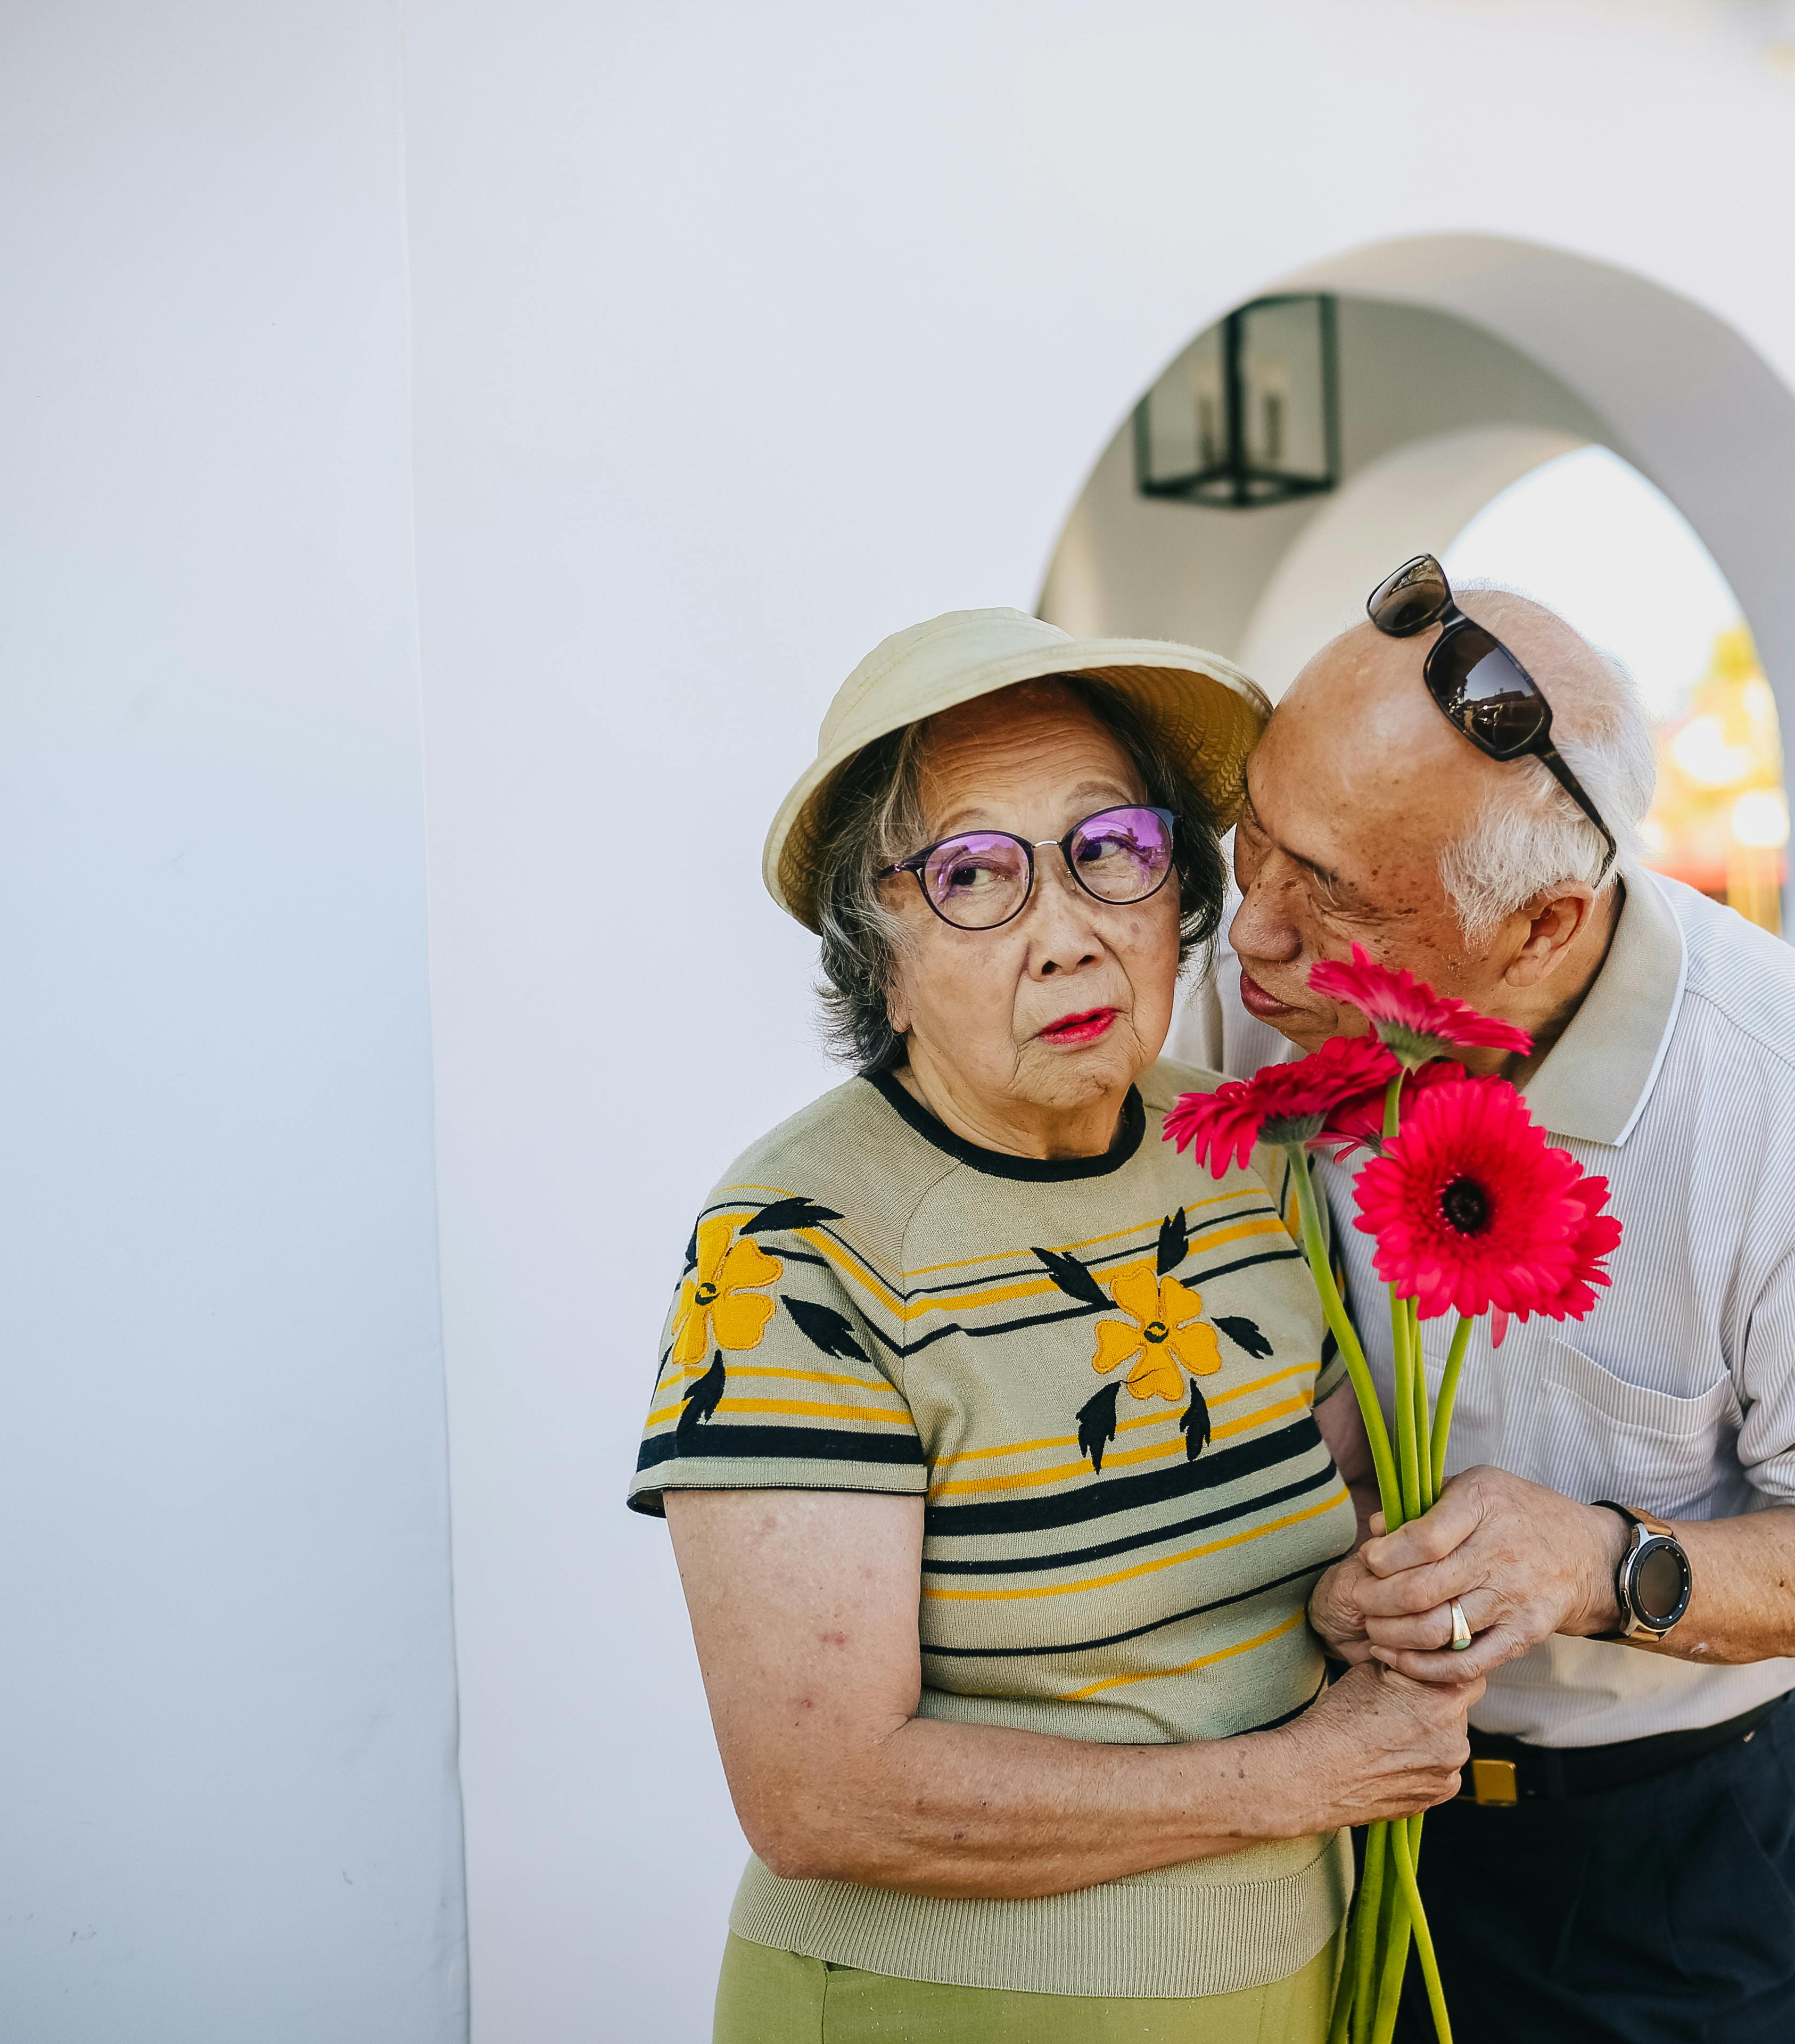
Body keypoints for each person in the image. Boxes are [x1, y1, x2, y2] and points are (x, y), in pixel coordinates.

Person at [631, 608, 1480, 2043]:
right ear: (878, 955)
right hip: (948, 2009)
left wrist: (1374, 1600)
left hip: (1297, 1978)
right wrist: (1291, 1783)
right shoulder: (793, 1242)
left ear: (1177, 894)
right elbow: (818, 1792)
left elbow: (1328, 1507)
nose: (1067, 934)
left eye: (1111, 852)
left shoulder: (1242, 1157)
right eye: (974, 876)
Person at [1227, 557, 1795, 2042]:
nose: (1250, 933)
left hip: (1653, 1864)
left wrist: (1592, 1563)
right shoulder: (1246, 982)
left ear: (1542, 928)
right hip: (1299, 1805)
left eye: (1331, 903)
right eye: (1250, 843)